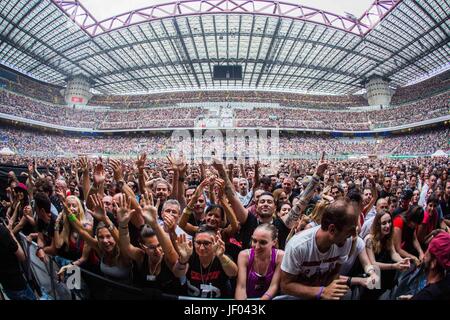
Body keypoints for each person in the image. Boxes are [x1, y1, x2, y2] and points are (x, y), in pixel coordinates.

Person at [280, 199, 358, 300]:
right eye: (349, 231)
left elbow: (335, 273)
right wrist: (322, 292)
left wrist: (332, 290)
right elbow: (286, 286)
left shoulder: (345, 241)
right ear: (332, 229)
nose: (353, 235)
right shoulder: (298, 246)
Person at [117, 192, 183, 294]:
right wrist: (123, 225)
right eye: (152, 248)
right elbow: (126, 246)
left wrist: (155, 224)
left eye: (159, 245)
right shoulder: (141, 256)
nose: (157, 250)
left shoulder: (168, 259)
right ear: (143, 247)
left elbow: (169, 251)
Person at [173, 226, 238, 298]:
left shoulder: (222, 257)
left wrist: (221, 257)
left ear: (215, 242)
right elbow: (177, 274)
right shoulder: (189, 255)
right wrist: (183, 260)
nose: (201, 248)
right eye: (198, 243)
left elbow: (233, 273)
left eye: (206, 243)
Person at [363, 211, 410, 300]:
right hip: (373, 276)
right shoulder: (369, 240)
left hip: (385, 275)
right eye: (384, 223)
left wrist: (401, 261)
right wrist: (394, 266)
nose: (388, 225)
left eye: (389, 222)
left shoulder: (388, 237)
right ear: (377, 225)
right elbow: (373, 264)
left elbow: (393, 254)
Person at [235, 224, 284, 300]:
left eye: (263, 242)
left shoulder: (280, 256)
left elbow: (274, 286)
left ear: (274, 242)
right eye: (254, 241)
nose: (257, 247)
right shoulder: (244, 255)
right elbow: (241, 287)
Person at [0, 222, 36, 300]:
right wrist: (11, 235)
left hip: (6, 285)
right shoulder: (2, 231)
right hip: (17, 285)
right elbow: (22, 256)